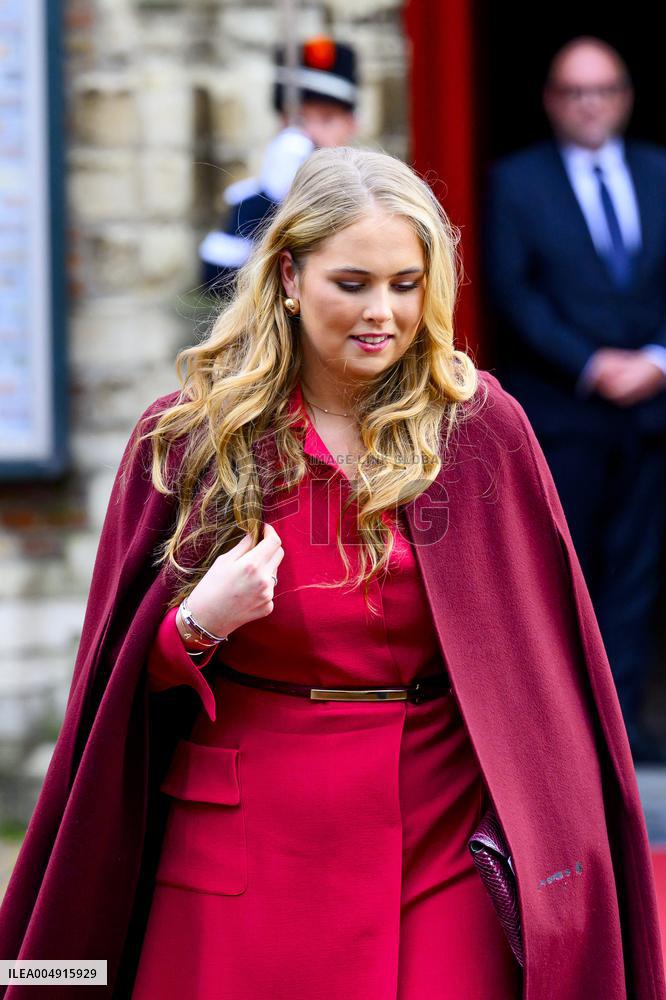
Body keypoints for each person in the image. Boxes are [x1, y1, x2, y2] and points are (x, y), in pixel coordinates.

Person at [1, 147, 664, 999]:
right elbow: (115, 691)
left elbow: (546, 669)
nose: (382, 313)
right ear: (288, 276)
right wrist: (197, 625)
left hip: (443, 843)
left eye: (405, 284)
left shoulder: (481, 428)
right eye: (352, 284)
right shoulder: (194, 437)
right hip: (245, 844)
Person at [483, 36, 666, 763]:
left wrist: (656, 361)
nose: (590, 105)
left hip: (651, 412)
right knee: (563, 570)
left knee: (637, 569)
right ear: (551, 101)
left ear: (625, 97)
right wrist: (591, 364)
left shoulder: (660, 171)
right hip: (561, 414)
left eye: (603, 90)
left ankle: (624, 724)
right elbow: (512, 290)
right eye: (574, 91)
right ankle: (565, 734)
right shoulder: (515, 181)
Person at [199, 35, 358, 294]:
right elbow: (216, 283)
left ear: (351, 125)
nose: (311, 134)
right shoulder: (252, 200)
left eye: (327, 119)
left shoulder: (368, 195)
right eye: (299, 120)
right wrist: (271, 200)